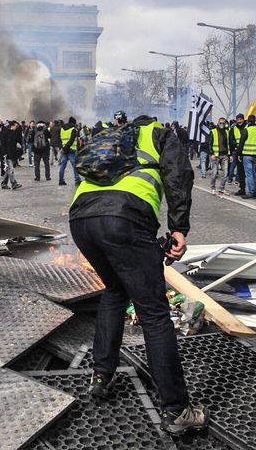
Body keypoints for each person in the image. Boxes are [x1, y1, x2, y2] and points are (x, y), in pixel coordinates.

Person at [69, 110, 207, 435]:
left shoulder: (112, 137)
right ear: (153, 121)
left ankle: (101, 375)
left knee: (115, 292)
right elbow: (178, 177)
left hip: (81, 218)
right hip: (124, 219)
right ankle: (177, 410)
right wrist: (179, 229)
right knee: (154, 313)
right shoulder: (161, 133)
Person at [240, 115, 256, 199]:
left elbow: (241, 143)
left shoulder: (246, 130)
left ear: (248, 121)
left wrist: (239, 154)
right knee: (252, 173)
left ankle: (251, 192)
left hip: (247, 155)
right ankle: (253, 192)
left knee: (249, 174)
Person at [1, 119, 24, 190]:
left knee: (8, 170)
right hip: (7, 154)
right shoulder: (5, 133)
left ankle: (4, 183)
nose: (16, 127)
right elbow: (3, 144)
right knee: (11, 169)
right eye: (15, 126)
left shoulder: (14, 133)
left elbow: (15, 143)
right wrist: (4, 153)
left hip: (12, 154)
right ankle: (14, 183)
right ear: (12, 125)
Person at [58, 116, 82, 186]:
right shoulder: (73, 129)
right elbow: (71, 140)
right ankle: (77, 180)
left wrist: (62, 148)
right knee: (74, 166)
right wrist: (65, 148)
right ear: (74, 123)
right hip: (71, 150)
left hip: (64, 151)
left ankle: (61, 180)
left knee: (62, 166)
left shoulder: (62, 129)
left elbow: (60, 139)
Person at [227, 114, 247, 195]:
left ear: (243, 119)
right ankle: (242, 188)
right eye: (238, 119)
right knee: (240, 170)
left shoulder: (247, 127)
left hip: (246, 151)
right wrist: (231, 153)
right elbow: (230, 141)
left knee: (248, 171)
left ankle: (250, 188)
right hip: (237, 151)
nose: (239, 121)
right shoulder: (233, 129)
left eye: (240, 119)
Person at [207, 119, 227, 195]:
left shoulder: (227, 132)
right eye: (220, 123)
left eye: (223, 123)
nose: (222, 124)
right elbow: (209, 143)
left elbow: (228, 144)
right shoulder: (213, 131)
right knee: (214, 173)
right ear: (218, 123)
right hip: (215, 155)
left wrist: (230, 155)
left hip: (224, 155)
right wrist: (212, 153)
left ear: (225, 123)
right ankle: (213, 188)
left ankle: (222, 188)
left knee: (225, 174)